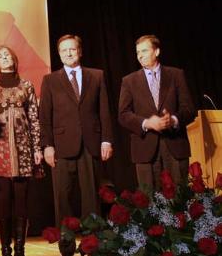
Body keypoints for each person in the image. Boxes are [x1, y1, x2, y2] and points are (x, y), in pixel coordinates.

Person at [39, 34, 114, 227]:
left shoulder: (96, 75)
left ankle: (93, 247)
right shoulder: (50, 80)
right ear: (59, 54)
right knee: (63, 197)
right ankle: (67, 247)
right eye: (63, 50)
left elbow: (104, 111)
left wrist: (106, 140)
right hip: (62, 145)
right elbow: (45, 117)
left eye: (72, 49)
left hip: (91, 144)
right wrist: (47, 145)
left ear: (79, 51)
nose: (68, 53)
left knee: (92, 197)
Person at [0, 46, 44, 256]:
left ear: (14, 58)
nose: (4, 57)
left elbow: (34, 118)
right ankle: (5, 249)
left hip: (23, 146)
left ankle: (19, 249)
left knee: (21, 198)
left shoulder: (26, 85)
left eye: (7, 54)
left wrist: (37, 148)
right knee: (2, 198)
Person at [118, 35, 196, 188]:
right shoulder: (129, 81)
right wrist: (147, 123)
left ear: (157, 51)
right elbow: (123, 115)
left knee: (179, 200)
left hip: (175, 145)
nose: (140, 55)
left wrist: (172, 120)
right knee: (150, 202)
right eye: (138, 52)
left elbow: (189, 109)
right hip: (145, 148)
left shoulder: (176, 75)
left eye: (144, 51)